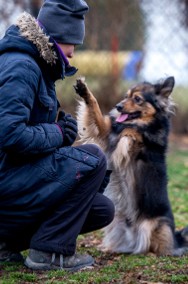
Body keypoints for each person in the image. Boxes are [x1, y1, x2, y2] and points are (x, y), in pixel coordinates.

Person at [0, 0, 115, 271]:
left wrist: (62, 134)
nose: (73, 53)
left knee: (101, 209)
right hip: (6, 180)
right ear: (54, 37)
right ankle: (49, 252)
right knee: (94, 158)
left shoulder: (35, 65)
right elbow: (10, 136)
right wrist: (57, 132)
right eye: (71, 42)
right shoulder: (22, 67)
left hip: (12, 180)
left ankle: (5, 242)